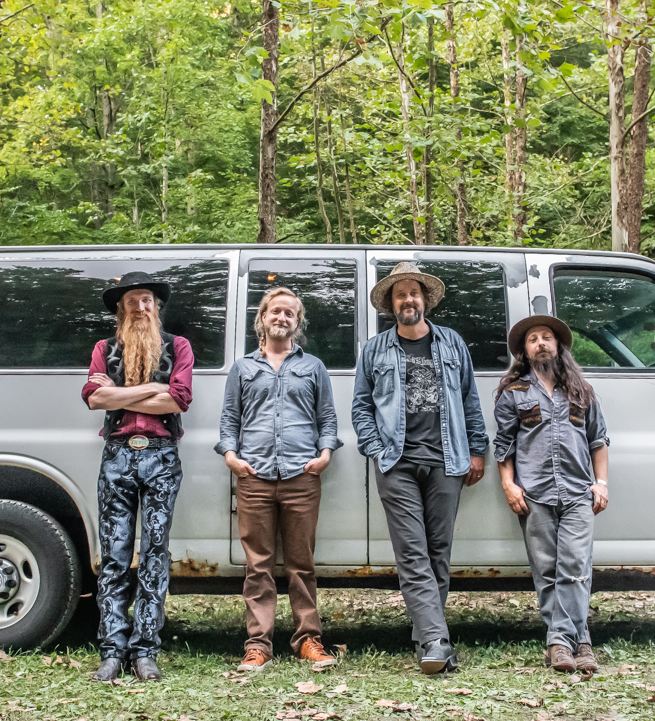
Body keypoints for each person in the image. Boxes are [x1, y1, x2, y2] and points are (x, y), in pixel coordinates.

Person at [351, 262, 488, 674]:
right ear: (391, 304)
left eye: (414, 293)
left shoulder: (452, 343)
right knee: (412, 552)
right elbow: (361, 407)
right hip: (397, 462)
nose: (408, 300)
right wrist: (377, 449)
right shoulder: (375, 349)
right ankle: (436, 641)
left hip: (448, 460)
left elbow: (470, 399)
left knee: (438, 552)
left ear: (425, 300)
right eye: (400, 294)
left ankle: (427, 637)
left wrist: (477, 449)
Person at [217, 287, 341, 672]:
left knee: (302, 564)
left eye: (290, 313)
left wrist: (325, 454)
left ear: (297, 322)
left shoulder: (313, 367)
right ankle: (258, 646)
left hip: (301, 476)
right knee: (258, 565)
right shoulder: (243, 368)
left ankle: (309, 640)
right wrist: (231, 457)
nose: (282, 318)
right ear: (263, 317)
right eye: (275, 311)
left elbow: (327, 418)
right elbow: (229, 419)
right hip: (253, 477)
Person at [81, 271, 193, 683]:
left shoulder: (178, 346)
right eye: (132, 301)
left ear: (156, 306)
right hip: (117, 455)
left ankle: (145, 650)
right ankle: (112, 651)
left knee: (155, 553)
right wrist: (152, 391)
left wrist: (120, 393)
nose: (141, 307)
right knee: (114, 555)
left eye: (147, 300)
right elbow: (94, 398)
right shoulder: (104, 348)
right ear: (121, 309)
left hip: (162, 456)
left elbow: (179, 399)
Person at [493, 315, 609, 675]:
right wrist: (508, 484)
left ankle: (560, 642)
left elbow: (598, 440)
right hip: (534, 494)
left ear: (558, 346)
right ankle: (581, 643)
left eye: (547, 337)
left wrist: (601, 483)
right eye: (533, 339)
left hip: (578, 492)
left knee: (575, 567)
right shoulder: (513, 393)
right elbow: (503, 445)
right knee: (546, 570)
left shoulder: (582, 391)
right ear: (524, 352)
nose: (541, 343)